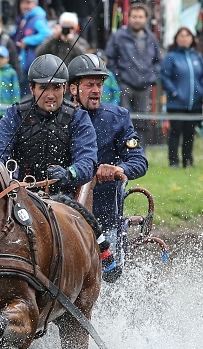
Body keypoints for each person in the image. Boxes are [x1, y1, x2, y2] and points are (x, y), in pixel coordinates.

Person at [68, 53, 147, 281]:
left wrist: (117, 169)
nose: (96, 90)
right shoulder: (61, 118)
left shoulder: (118, 117)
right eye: (89, 84)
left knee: (110, 284)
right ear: (73, 89)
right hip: (64, 213)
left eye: (99, 84)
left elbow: (139, 161)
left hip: (106, 216)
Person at [0, 54, 98, 196]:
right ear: (32, 88)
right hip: (21, 194)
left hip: (64, 197)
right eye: (44, 88)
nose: (50, 95)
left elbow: (88, 161)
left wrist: (69, 173)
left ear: (65, 88)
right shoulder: (15, 114)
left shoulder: (78, 117)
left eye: (56, 87)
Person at [104, 3, 162, 134]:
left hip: (145, 86)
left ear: (146, 18)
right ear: (128, 17)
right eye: (134, 16)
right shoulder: (118, 36)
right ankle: (123, 151)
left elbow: (158, 61)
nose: (137, 20)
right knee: (122, 119)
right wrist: (119, 76)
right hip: (124, 85)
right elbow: (110, 58)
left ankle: (140, 151)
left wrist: (152, 77)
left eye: (140, 17)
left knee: (142, 122)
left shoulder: (151, 38)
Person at [160, 27, 203, 168]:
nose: (184, 38)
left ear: (192, 38)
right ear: (176, 39)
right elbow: (164, 77)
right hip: (177, 104)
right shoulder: (171, 57)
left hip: (195, 103)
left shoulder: (197, 57)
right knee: (175, 133)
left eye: (187, 35)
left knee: (190, 133)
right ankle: (173, 161)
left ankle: (188, 161)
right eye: (181, 35)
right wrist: (175, 93)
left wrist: (202, 92)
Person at [12, 0, 52, 95]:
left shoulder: (38, 18)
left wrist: (27, 41)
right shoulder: (25, 18)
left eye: (28, 2)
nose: (25, 6)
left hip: (34, 67)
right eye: (23, 3)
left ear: (36, 4)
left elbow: (47, 34)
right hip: (25, 65)